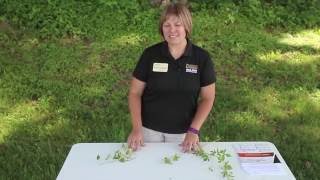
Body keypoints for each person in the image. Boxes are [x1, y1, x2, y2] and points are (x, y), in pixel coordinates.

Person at [127, 2, 216, 153]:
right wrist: (137, 129)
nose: (172, 30)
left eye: (177, 24)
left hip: (184, 134)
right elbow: (135, 93)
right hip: (148, 132)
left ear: (186, 27)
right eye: (167, 25)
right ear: (162, 28)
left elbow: (208, 98)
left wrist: (193, 131)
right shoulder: (150, 54)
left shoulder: (202, 58)